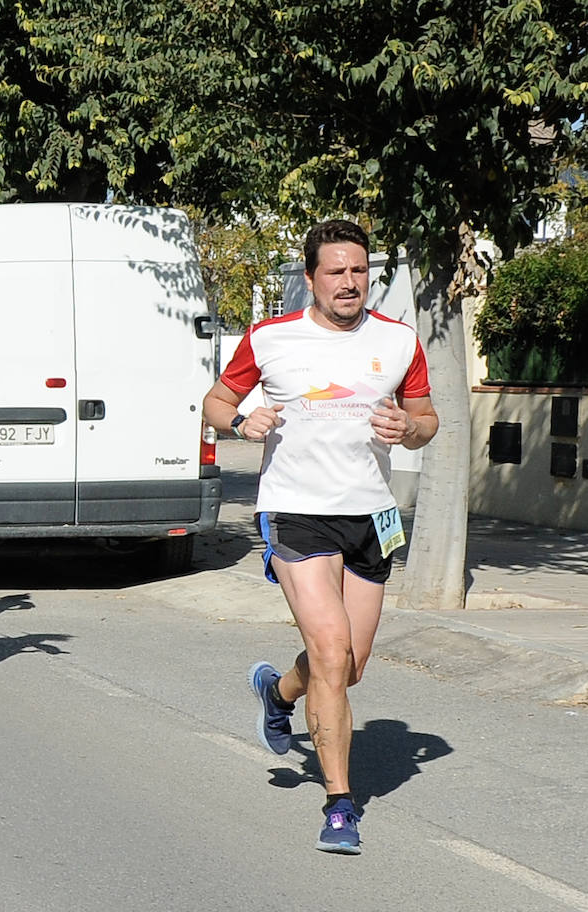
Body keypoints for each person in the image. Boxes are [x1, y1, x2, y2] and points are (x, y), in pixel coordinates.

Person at [202, 219, 439, 855]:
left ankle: (276, 692)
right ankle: (340, 805)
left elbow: (426, 418)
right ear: (310, 278)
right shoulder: (270, 338)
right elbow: (215, 401)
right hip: (295, 511)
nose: (348, 282)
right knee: (331, 651)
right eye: (335, 272)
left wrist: (408, 430)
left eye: (358, 271)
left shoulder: (397, 342)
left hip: (371, 516)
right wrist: (241, 420)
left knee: (350, 668)